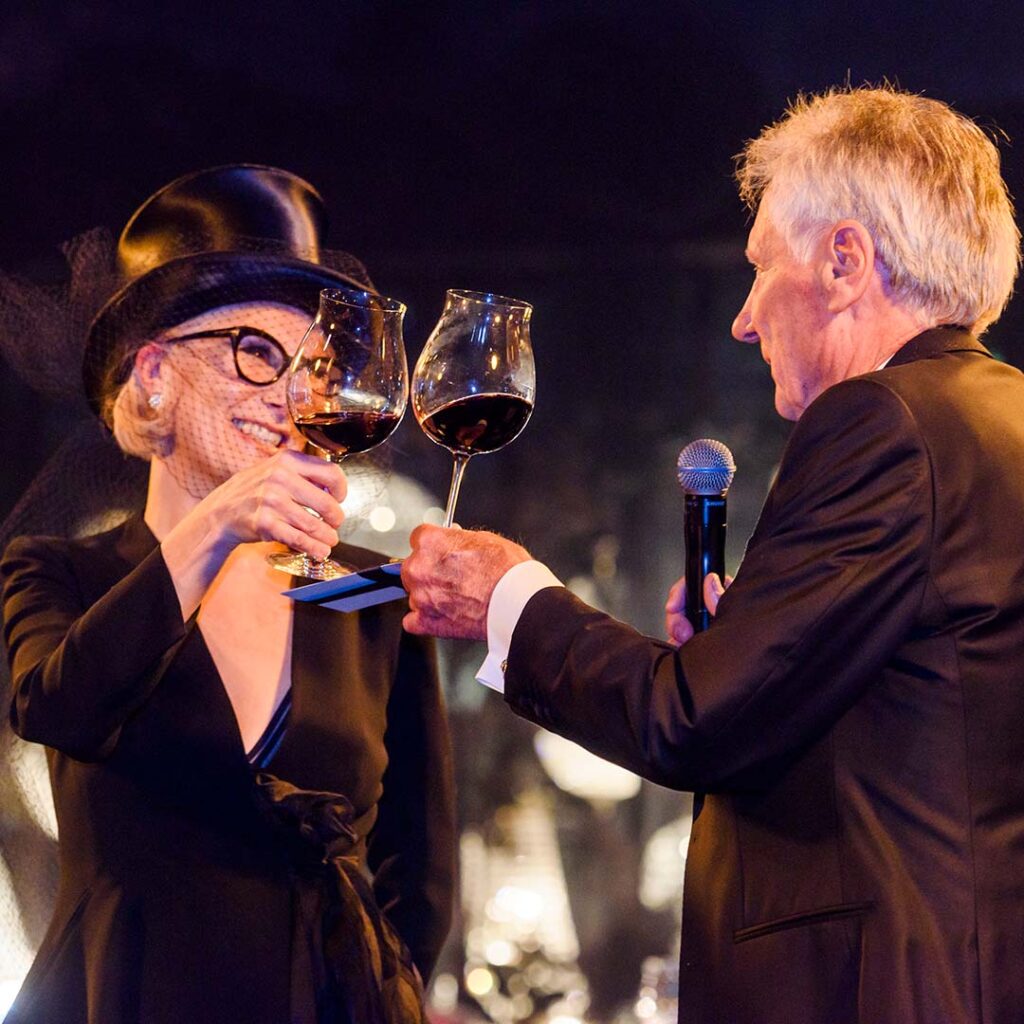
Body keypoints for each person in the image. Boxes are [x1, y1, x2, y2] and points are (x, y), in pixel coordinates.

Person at [400, 86, 1024, 1023]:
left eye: (761, 267)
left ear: (845, 261)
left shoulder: (880, 421)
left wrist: (510, 597)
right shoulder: (997, 418)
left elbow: (689, 722)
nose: (742, 318)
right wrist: (756, 645)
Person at [1, 165, 455, 1024]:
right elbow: (58, 706)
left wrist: (379, 993)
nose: (291, 396)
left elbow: (419, 873)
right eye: (255, 351)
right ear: (154, 375)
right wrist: (214, 528)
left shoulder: (365, 596)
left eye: (314, 368)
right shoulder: (60, 573)